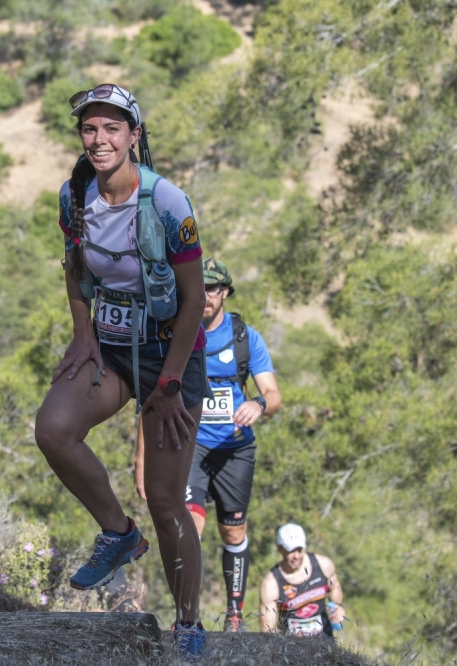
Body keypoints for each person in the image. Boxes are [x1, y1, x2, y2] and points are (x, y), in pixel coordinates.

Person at [34, 82, 211, 659]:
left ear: (135, 136)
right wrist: (82, 332)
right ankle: (117, 533)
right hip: (110, 348)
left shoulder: (168, 203)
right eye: (90, 128)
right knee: (54, 430)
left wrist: (168, 385)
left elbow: (192, 303)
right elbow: (74, 271)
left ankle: (189, 623)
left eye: (113, 128)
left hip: (170, 356)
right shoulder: (74, 195)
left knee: (165, 499)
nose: (100, 138)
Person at [135, 257, 281, 632]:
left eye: (213, 289)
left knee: (233, 531)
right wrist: (142, 459)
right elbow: (152, 396)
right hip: (192, 445)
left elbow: (273, 394)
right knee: (188, 525)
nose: (206, 296)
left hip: (235, 449)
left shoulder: (245, 338)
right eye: (200, 288)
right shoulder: (175, 334)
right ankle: (189, 615)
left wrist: (258, 405)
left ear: (226, 293)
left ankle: (234, 614)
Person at [259, 523, 346, 637]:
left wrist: (337, 607)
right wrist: (288, 637)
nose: (296, 556)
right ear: (280, 548)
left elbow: (335, 587)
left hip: (325, 640)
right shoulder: (271, 584)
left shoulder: (323, 564)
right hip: (292, 648)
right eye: (291, 551)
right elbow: (267, 631)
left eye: (299, 550)